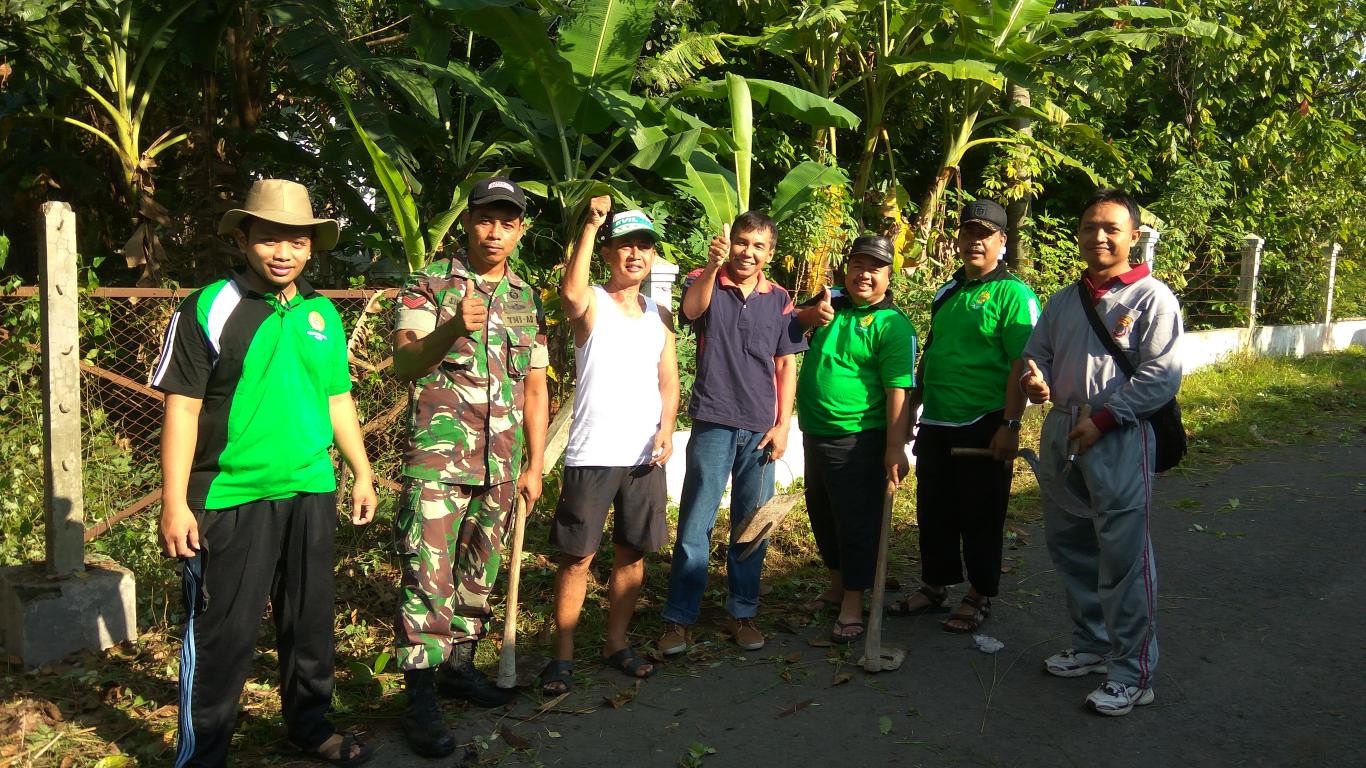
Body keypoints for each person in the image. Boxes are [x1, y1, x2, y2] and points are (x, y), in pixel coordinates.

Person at [154, 178, 377, 768]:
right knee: (223, 636)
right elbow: (182, 407)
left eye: (297, 241)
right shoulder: (210, 306)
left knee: (309, 626)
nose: (284, 252)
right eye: (270, 237)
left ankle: (308, 727)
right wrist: (174, 502)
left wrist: (362, 471)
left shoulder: (322, 313)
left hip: (310, 489)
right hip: (230, 494)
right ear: (245, 238)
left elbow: (337, 400)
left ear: (311, 247)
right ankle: (203, 754)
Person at [391, 178, 549, 755]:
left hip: (502, 464)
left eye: (507, 222)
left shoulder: (525, 297)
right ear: (468, 221)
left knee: (478, 574)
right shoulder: (428, 284)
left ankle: (461, 665)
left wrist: (533, 462)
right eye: (486, 219)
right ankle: (420, 697)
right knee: (427, 577)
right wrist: (454, 325)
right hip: (438, 459)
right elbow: (405, 364)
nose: (495, 231)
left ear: (520, 230)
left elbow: (534, 384)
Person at [1021, 188, 1183, 717]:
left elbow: (1162, 376)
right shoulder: (1064, 300)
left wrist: (1106, 419)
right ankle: (1091, 644)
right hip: (1062, 430)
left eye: (1112, 227)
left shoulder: (1152, 298)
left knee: (1123, 556)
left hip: (1117, 434)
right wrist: (1035, 380)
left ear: (1133, 236)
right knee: (1070, 545)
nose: (1099, 236)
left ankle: (1132, 671)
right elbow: (1036, 355)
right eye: (1090, 226)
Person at [540, 198, 679, 695]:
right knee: (577, 557)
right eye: (626, 245)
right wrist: (592, 223)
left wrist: (667, 426)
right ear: (609, 254)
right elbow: (570, 292)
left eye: (644, 245)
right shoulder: (592, 301)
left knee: (633, 555)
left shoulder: (658, 314)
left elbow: (669, 378)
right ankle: (562, 656)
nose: (636, 254)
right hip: (593, 453)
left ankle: (616, 644)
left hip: (644, 457)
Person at [658, 212, 806, 655]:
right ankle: (678, 618)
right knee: (695, 524)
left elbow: (786, 363)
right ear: (731, 243)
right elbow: (690, 312)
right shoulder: (705, 282)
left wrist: (782, 425)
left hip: (760, 430)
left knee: (751, 526)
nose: (748, 252)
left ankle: (742, 612)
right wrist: (710, 267)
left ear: (770, 253)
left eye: (759, 246)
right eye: (743, 242)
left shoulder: (779, 298)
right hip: (714, 420)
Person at [891, 199, 1040, 633]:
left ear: (1001, 241)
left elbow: (1022, 364)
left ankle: (979, 593)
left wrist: (1011, 426)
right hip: (937, 420)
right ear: (958, 239)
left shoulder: (1015, 295)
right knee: (934, 510)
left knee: (981, 513)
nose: (975, 241)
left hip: (985, 420)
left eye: (985, 234)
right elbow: (931, 355)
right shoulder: (948, 291)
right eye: (968, 233)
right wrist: (910, 414)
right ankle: (935, 585)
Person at [795, 235, 916, 643]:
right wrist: (813, 313)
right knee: (823, 515)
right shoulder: (830, 305)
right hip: (815, 432)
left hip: (859, 438)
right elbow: (788, 323)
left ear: (888, 275)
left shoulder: (891, 324)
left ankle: (852, 602)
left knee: (856, 523)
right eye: (857, 265)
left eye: (874, 268)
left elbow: (899, 389)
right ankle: (835, 585)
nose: (863, 274)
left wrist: (895, 446)